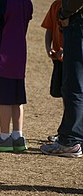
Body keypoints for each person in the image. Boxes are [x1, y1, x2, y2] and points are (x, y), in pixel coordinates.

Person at [0, 0, 33, 152]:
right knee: (17, 96)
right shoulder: (26, 2)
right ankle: (18, 137)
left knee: (3, 97)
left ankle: (4, 138)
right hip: (19, 50)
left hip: (2, 51)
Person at [40, 0, 83, 157]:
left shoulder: (61, 7)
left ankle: (69, 141)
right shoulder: (54, 5)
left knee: (74, 88)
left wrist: (65, 13)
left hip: (78, 24)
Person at [41, 0, 63, 142]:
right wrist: (48, 48)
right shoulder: (56, 5)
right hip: (59, 61)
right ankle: (65, 132)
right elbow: (49, 29)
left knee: (74, 97)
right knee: (64, 96)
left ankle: (71, 134)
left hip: (75, 60)